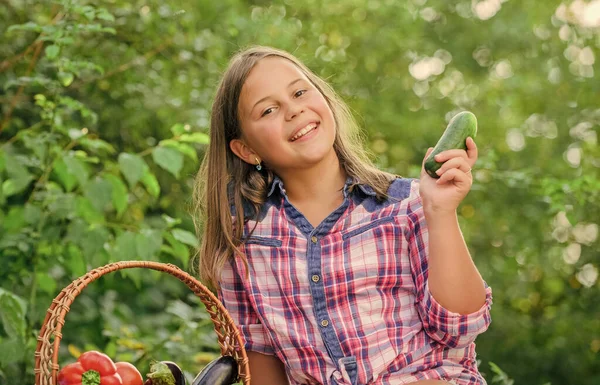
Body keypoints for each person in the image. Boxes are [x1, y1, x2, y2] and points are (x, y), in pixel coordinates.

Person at [193, 45, 493, 385]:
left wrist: (440, 211)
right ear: (246, 149)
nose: (294, 110)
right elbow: (262, 365)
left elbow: (461, 328)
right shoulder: (243, 242)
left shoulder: (406, 204)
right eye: (268, 110)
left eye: (300, 91)